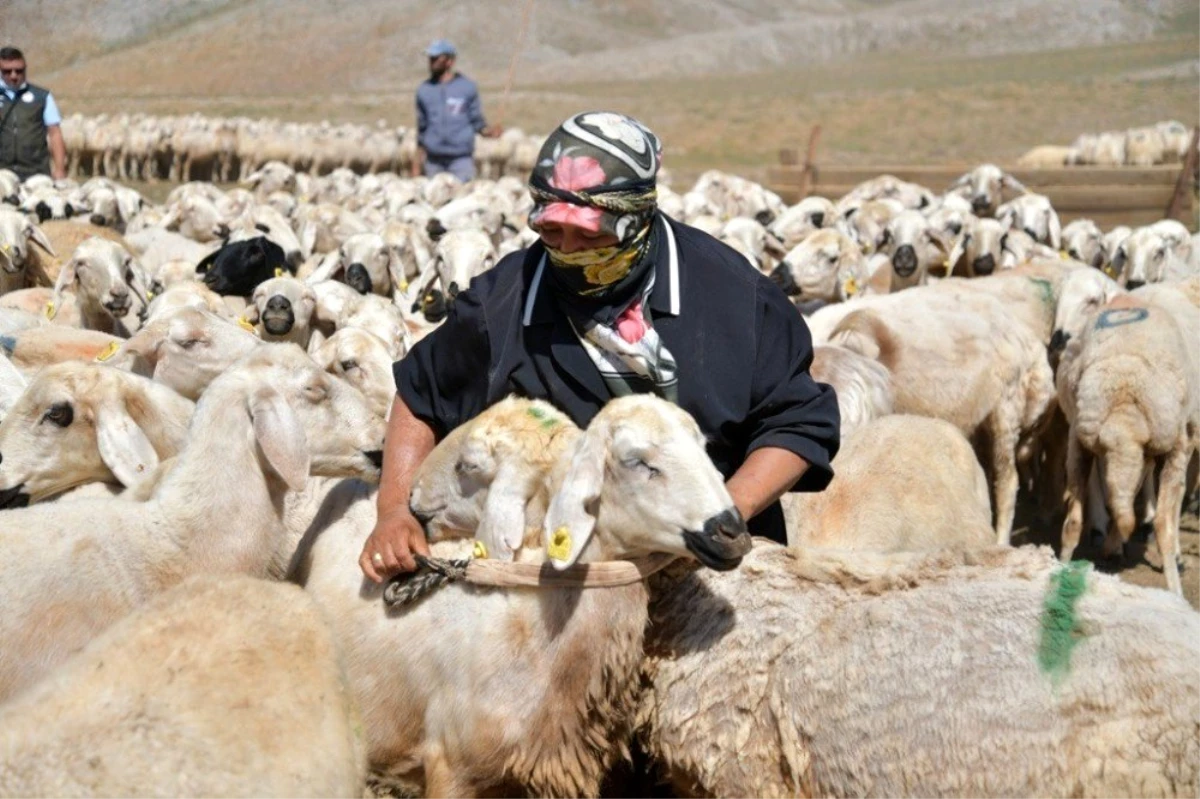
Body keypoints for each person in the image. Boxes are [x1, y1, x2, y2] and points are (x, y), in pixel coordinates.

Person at [361, 111, 840, 581]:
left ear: (638, 220)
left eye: (589, 234)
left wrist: (722, 512)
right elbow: (421, 394)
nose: (568, 252)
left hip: (720, 570)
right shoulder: (505, 303)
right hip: (570, 574)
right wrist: (393, 511)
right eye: (551, 231)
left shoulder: (734, 299)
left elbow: (796, 423)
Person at [412, 38, 501, 183]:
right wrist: (416, 166)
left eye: (436, 58)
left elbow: (477, 121)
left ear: (450, 61)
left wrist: (489, 132)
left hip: (461, 161)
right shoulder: (424, 90)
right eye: (430, 58)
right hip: (433, 161)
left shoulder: (467, 87)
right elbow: (421, 129)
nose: (431, 62)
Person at [0, 46, 66, 180]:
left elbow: (54, 133)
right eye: (7, 71)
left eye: (19, 71)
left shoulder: (42, 97)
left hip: (36, 174)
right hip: (2, 174)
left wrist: (59, 169)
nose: (13, 76)